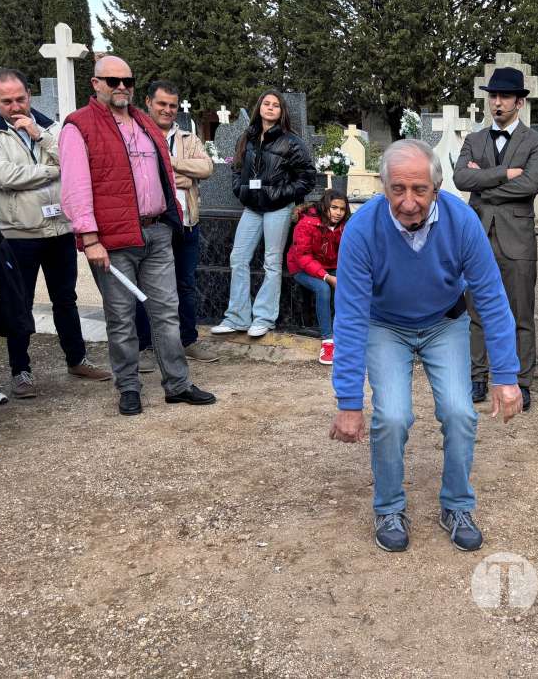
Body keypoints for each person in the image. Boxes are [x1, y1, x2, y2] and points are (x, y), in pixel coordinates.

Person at [329, 139, 522, 553]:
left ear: (437, 187)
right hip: (386, 325)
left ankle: (456, 505)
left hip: (444, 322)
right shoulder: (362, 230)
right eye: (398, 189)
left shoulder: (462, 221)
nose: (409, 202)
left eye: (419, 189)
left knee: (458, 411)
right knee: (393, 416)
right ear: (384, 188)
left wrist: (505, 375)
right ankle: (388, 507)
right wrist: (348, 400)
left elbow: (490, 296)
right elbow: (348, 316)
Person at [59, 55, 216, 416]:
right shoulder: (78, 126)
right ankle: (128, 386)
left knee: (166, 312)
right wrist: (90, 237)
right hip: (113, 241)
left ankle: (177, 383)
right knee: (121, 317)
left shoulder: (144, 123)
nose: (121, 87)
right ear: (95, 84)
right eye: (112, 80)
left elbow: (162, 173)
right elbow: (76, 187)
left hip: (157, 231)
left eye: (127, 81)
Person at [0, 68, 112, 399]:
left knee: (66, 298)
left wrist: (38, 135)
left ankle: (77, 358)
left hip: (59, 228)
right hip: (18, 232)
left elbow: (74, 160)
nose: (15, 106)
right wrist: (55, 170)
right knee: (19, 303)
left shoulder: (50, 127)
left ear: (29, 96)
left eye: (20, 98)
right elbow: (6, 176)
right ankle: (20, 370)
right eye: (6, 100)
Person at [452, 67, 538, 413]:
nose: (497, 102)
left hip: (517, 239)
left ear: (519, 102)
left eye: (504, 97)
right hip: (477, 236)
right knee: (475, 311)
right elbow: (461, 178)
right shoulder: (474, 140)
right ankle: (478, 376)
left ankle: (522, 381)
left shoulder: (537, 142)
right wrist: (504, 174)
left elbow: (531, 185)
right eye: (492, 96)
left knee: (520, 312)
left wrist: (485, 183)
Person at [210, 90, 316, 339]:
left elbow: (307, 177)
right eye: (266, 104)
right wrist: (241, 189)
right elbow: (237, 167)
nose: (270, 108)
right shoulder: (247, 137)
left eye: (275, 105)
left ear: (281, 112)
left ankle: (264, 318)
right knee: (238, 258)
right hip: (252, 208)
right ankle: (237, 317)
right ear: (259, 107)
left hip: (278, 208)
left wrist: (281, 194)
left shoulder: (291, 142)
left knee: (271, 262)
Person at [133, 80, 219, 369]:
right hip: (154, 224)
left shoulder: (187, 138)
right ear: (148, 102)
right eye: (162, 104)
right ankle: (146, 346)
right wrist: (180, 175)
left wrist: (171, 164)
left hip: (187, 223)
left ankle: (188, 339)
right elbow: (142, 178)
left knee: (185, 284)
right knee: (148, 287)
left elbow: (206, 168)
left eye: (172, 105)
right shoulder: (137, 135)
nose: (168, 110)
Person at [287, 189, 349, 365]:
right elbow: (303, 256)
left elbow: (348, 252)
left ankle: (344, 334)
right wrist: (326, 277)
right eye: (334, 207)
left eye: (342, 209)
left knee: (348, 286)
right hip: (301, 268)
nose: (338, 213)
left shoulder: (344, 226)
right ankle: (328, 340)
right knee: (323, 289)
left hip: (332, 266)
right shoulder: (306, 224)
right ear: (324, 206)